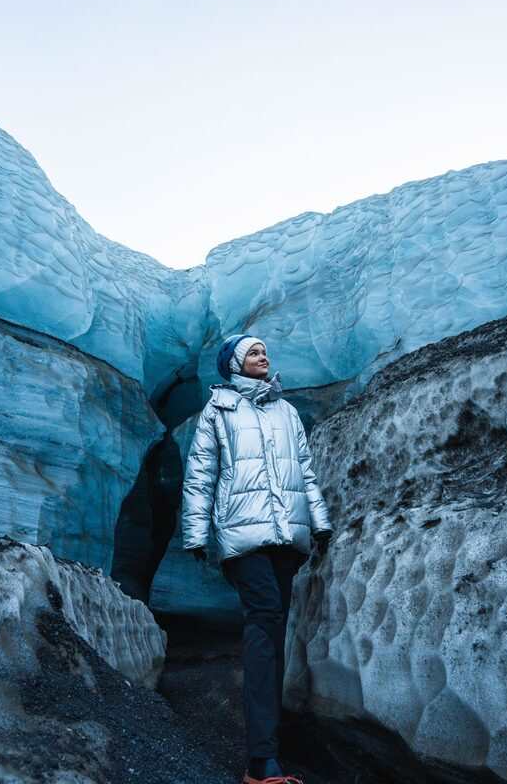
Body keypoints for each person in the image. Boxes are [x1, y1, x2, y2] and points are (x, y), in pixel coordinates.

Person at [180, 334, 333, 784]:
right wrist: (195, 533)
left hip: (286, 536)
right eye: (252, 352)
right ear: (232, 364)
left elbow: (304, 470)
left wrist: (319, 522)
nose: (262, 356)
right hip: (243, 535)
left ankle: (269, 747)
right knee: (265, 616)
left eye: (264, 351)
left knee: (272, 628)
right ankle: (261, 761)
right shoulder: (218, 410)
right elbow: (200, 474)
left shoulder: (287, 412)